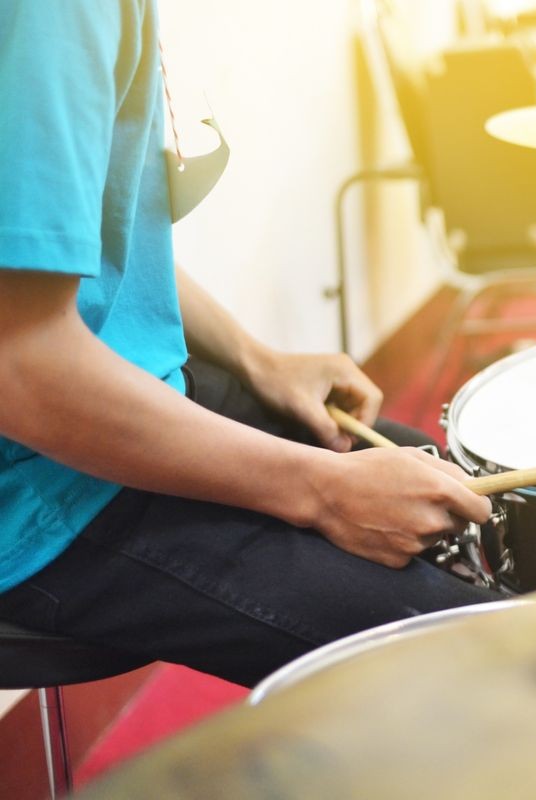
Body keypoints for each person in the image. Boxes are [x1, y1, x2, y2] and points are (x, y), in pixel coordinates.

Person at [0, 2, 498, 688]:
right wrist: (323, 493)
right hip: (38, 489)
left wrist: (256, 358)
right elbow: (19, 368)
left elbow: (80, 227)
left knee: (467, 505)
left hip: (120, 387)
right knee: (490, 657)